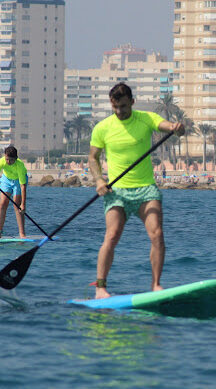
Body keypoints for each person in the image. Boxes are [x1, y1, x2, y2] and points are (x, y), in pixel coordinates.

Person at [88, 83, 184, 299]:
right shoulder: (102, 127)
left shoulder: (145, 118)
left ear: (132, 102)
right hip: (116, 192)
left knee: (157, 233)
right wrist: (99, 181)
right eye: (115, 107)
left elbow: (168, 126)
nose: (120, 112)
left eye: (123, 106)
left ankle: (156, 285)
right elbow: (92, 158)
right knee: (111, 236)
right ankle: (100, 288)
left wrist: (177, 128)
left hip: (146, 190)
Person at [0, 146, 28, 238]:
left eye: (11, 160)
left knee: (17, 205)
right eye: (7, 159)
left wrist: (23, 204)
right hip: (6, 180)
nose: (8, 162)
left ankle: (22, 233)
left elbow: (23, 187)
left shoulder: (20, 166)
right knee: (3, 203)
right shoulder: (1, 161)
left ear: (16, 158)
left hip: (18, 181)